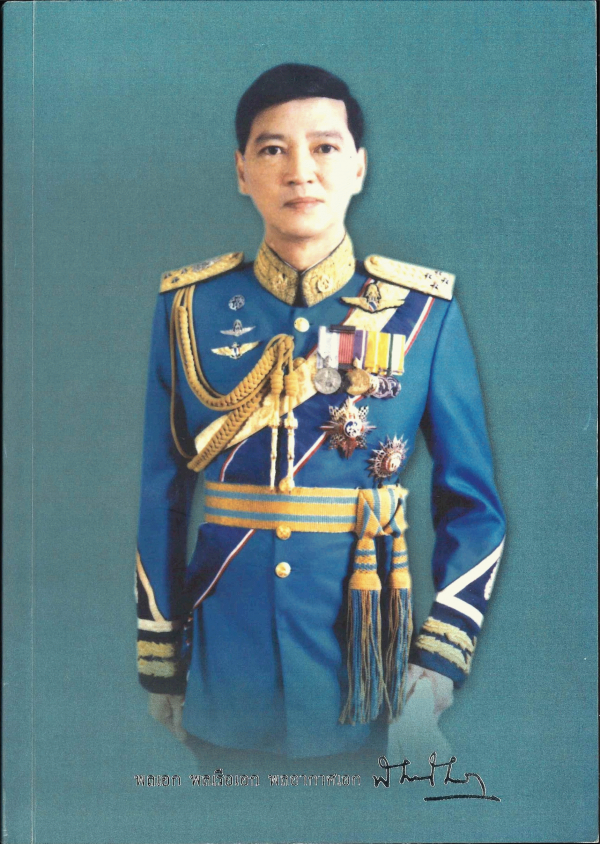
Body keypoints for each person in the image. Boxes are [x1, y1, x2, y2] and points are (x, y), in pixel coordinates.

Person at [135, 63, 506, 759]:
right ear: (242, 170)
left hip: (363, 666)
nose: (299, 171)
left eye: (325, 147)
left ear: (359, 166)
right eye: (273, 149)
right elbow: (162, 491)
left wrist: (438, 663)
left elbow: (474, 506)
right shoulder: (188, 309)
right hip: (223, 668)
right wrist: (160, 655)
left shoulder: (424, 315)